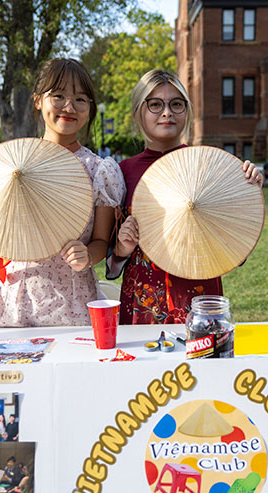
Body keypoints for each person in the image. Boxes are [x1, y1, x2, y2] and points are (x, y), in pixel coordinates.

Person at [0, 58, 125, 328]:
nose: (69, 106)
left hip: (73, 303)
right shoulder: (10, 164)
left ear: (90, 108)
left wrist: (88, 255)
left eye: (80, 99)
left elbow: (101, 240)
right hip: (15, 299)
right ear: (38, 100)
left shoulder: (99, 171)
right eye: (59, 95)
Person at [107, 69, 263, 325]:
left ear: (187, 111)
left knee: (201, 362)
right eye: (155, 104)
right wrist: (123, 248)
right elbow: (111, 266)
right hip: (143, 303)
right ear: (138, 112)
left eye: (176, 104)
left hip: (200, 301)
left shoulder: (210, 166)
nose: (167, 112)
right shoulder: (123, 173)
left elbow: (236, 251)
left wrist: (246, 190)